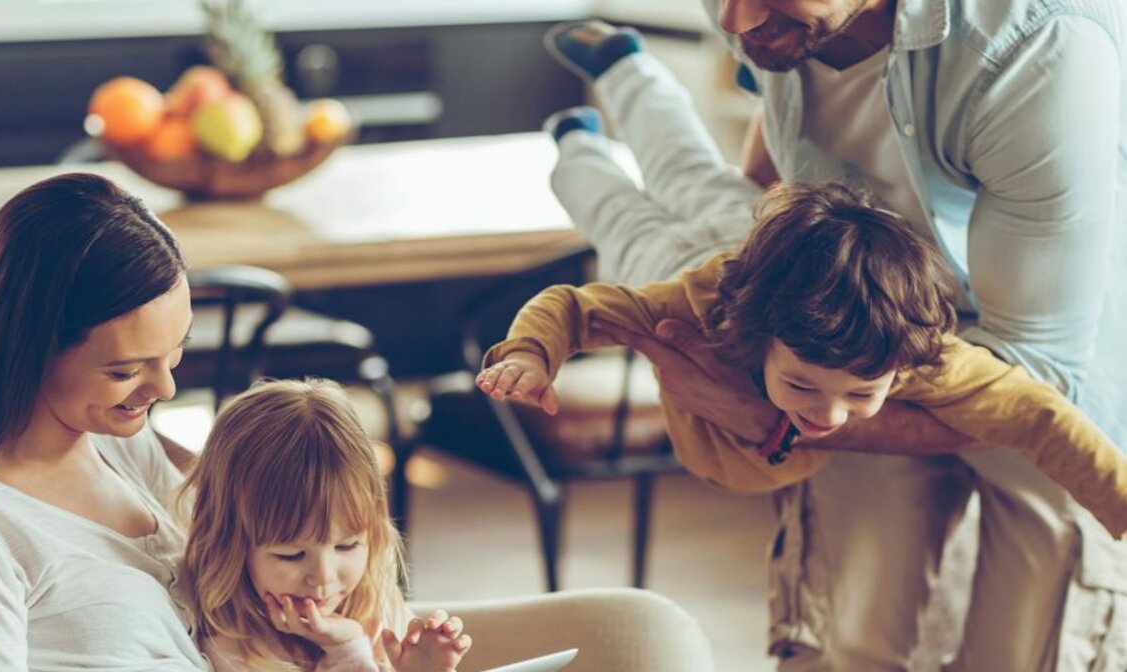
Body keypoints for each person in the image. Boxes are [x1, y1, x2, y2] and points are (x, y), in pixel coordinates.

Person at [542, 9, 1127, 672]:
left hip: (1044, 372)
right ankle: (602, 103)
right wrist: (754, 243)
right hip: (838, 336)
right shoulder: (765, 17)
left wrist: (766, 419)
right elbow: (780, 118)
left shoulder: (1039, 42)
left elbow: (1036, 375)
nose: (733, 17)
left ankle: (594, 118)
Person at [0, 173, 436, 672]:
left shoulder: (127, 449)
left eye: (175, 354)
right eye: (125, 370)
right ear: (29, 348)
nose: (165, 388)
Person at [477, 181, 1127, 534]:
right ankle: (582, 136)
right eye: (803, 385)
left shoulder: (921, 355)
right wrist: (532, 353)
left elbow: (1042, 416)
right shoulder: (703, 303)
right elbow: (572, 303)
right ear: (761, 336)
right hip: (683, 292)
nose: (830, 415)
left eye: (858, 393)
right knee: (630, 212)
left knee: (704, 191)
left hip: (749, 260)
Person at [180, 378, 548, 672]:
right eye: (290, 554)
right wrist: (344, 648)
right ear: (230, 543)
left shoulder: (371, 595)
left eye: (347, 545)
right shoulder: (240, 648)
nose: (323, 577)